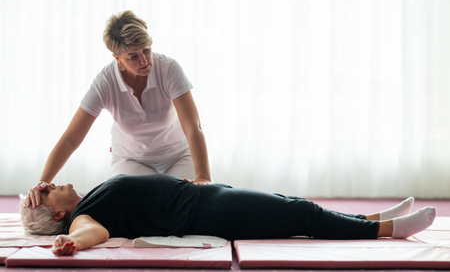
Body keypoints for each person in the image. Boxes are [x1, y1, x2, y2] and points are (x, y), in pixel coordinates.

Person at [26, 10, 211, 208]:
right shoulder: (105, 82)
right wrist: (42, 182)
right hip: (132, 160)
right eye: (133, 56)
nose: (144, 61)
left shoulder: (169, 69)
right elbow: (71, 138)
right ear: (117, 58)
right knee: (140, 208)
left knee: (192, 203)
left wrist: (203, 178)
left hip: (177, 155)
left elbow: (193, 127)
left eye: (146, 51)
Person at [20, 174, 436, 256]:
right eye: (49, 189)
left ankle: (373, 218)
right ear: (57, 213)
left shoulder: (89, 198)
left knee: (292, 203)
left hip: (209, 198)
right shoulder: (81, 219)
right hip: (209, 211)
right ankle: (387, 230)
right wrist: (70, 242)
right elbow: (91, 234)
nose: (53, 181)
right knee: (301, 215)